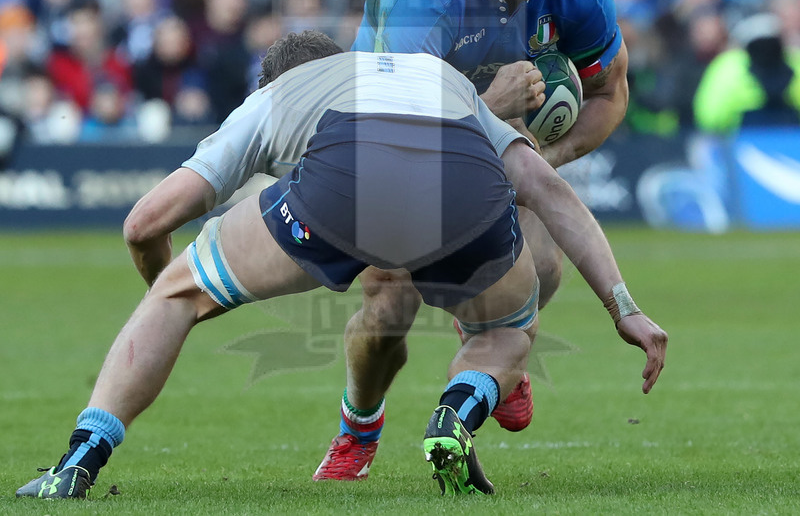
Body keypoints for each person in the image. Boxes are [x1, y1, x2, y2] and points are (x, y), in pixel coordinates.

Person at [17, 31, 667, 499]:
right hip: (464, 188)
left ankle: (79, 461)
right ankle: (457, 410)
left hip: (340, 181)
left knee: (178, 294)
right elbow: (548, 189)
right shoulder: (432, 75)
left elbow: (144, 221)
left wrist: (173, 289)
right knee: (504, 334)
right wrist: (624, 307)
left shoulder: (275, 101)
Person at [318, 0, 631, 478]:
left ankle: (493, 343)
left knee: (540, 270)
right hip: (396, 138)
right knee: (388, 303)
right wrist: (492, 109)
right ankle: (359, 428)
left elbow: (610, 93)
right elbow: (405, 129)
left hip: (496, 140)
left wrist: (543, 158)